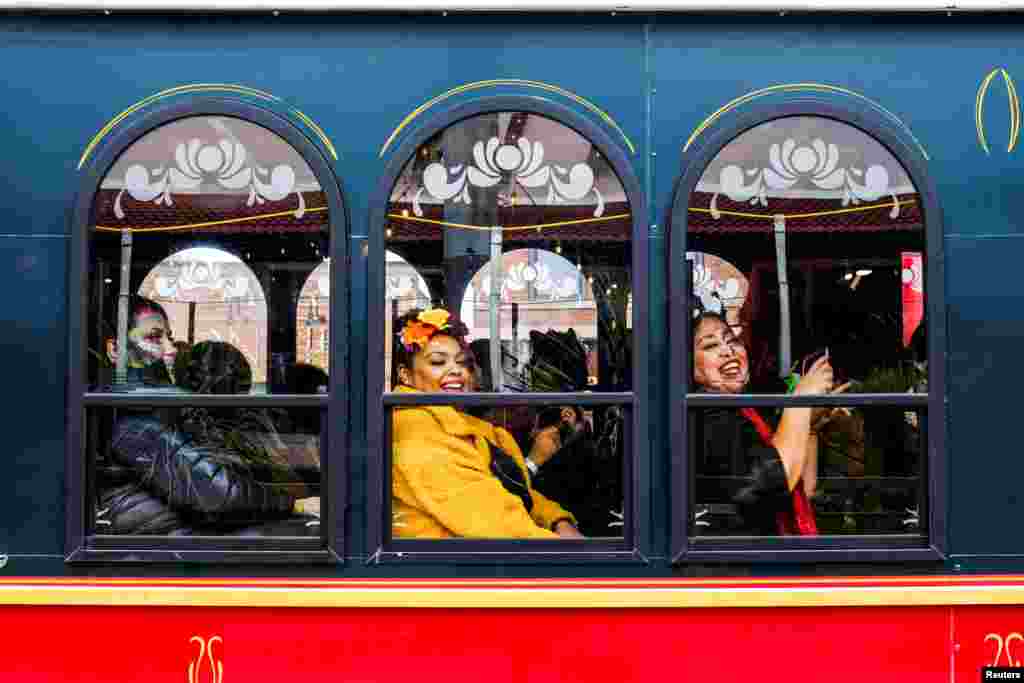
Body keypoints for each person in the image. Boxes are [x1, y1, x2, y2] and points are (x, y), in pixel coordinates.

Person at [95, 298, 320, 535]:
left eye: (169, 337)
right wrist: (295, 503)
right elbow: (214, 492)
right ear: (115, 350)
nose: (171, 349)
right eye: (154, 338)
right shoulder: (134, 418)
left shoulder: (155, 406)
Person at [390, 308, 583, 539]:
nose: (457, 371)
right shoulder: (417, 432)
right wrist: (578, 555)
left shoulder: (461, 422)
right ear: (405, 375)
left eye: (463, 363)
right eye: (438, 362)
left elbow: (516, 494)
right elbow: (496, 522)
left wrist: (557, 521)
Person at [691, 311, 845, 536]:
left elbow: (805, 486)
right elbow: (772, 484)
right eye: (710, 346)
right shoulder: (705, 415)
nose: (728, 351)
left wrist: (809, 424)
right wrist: (801, 398)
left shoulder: (749, 411)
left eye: (732, 340)